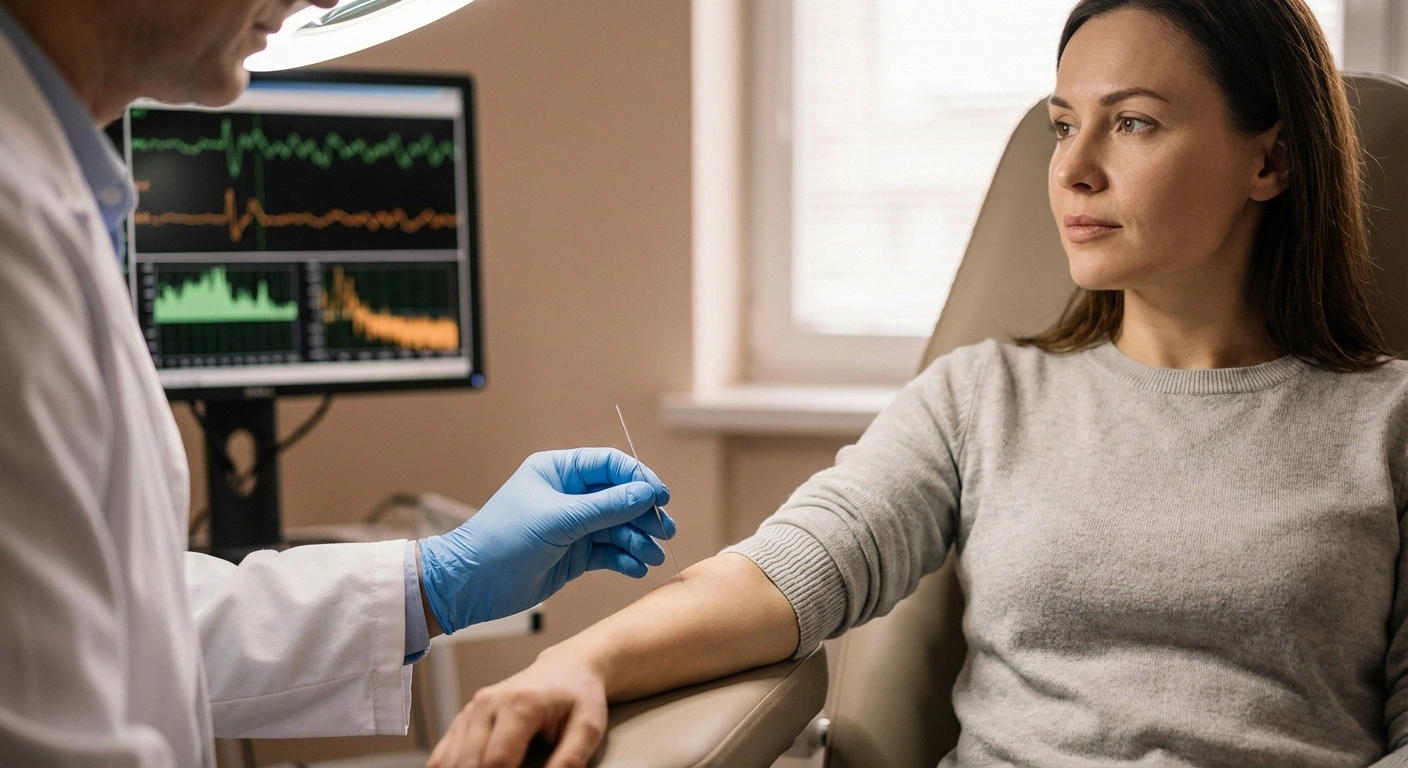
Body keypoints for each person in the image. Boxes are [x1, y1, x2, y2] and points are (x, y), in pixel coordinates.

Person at [428, 1, 1408, 766]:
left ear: (1269, 159)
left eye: (1135, 124)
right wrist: (573, 662)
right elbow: (782, 576)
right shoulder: (980, 400)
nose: (1073, 168)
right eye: (1064, 124)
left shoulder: (1386, 424)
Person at [0, 1, 674, 764]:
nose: (322, 0)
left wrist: (433, 583)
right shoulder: (13, 229)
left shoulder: (52, 187)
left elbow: (133, 619)